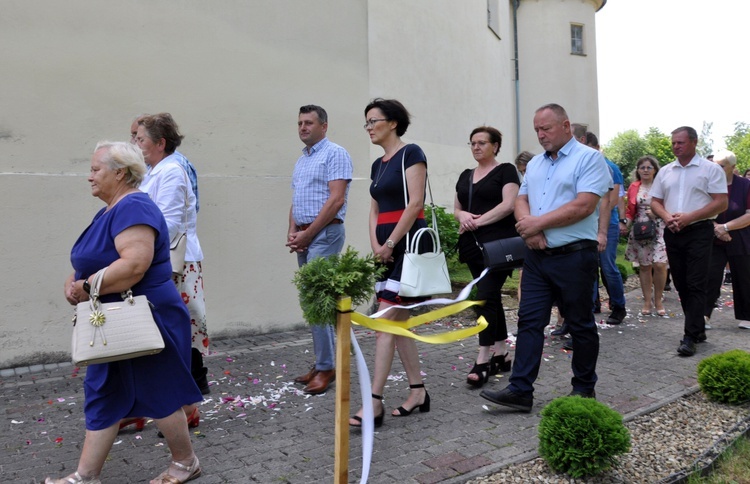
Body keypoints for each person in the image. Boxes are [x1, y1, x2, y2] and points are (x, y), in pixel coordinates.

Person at [47, 142, 203, 484]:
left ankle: (185, 463)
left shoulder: (133, 207)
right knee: (103, 390)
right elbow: (97, 258)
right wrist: (75, 279)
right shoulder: (109, 210)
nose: (89, 176)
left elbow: (134, 264)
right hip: (114, 315)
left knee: (157, 389)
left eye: (95, 169)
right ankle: (85, 476)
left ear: (120, 172)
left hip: (144, 314)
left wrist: (87, 287)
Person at [480, 104, 610, 412]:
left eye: (546, 129)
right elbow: (521, 199)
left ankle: (583, 388)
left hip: (575, 257)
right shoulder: (536, 164)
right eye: (537, 129)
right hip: (537, 257)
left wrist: (539, 224)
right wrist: (529, 231)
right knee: (529, 321)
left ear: (566, 126)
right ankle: (520, 390)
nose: (540, 135)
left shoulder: (589, 159)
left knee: (579, 324)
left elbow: (584, 206)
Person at [349, 98, 431, 428]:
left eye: (373, 120)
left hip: (407, 245)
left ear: (393, 122)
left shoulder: (412, 154)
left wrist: (391, 243)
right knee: (398, 325)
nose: (368, 127)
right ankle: (418, 392)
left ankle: (373, 402)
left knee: (385, 322)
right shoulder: (377, 165)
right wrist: (376, 245)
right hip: (385, 248)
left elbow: (415, 204)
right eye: (366, 122)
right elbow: (373, 210)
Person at [134, 113, 209, 423]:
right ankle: (144, 405)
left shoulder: (172, 172)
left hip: (175, 264)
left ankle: (187, 407)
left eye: (140, 139)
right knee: (163, 334)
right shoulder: (155, 171)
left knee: (176, 334)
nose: (135, 145)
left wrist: (135, 246)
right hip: (159, 261)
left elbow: (168, 223)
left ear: (160, 143)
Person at [286, 104, 353, 395]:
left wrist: (308, 233)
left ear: (324, 126)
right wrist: (292, 231)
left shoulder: (335, 153)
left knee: (318, 301)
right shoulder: (302, 159)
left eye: (309, 123)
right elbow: (297, 199)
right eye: (300, 122)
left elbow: (336, 200)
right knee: (313, 300)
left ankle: (327, 367)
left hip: (325, 234)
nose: (303, 127)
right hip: (305, 234)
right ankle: (322, 362)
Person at [650, 126, 728, 357]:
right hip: (673, 231)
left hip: (699, 231)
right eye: (674, 142)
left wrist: (689, 217)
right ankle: (697, 327)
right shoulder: (665, 171)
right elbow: (655, 201)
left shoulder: (710, 169)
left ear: (694, 142)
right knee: (681, 283)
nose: (675, 146)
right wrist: (667, 217)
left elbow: (721, 203)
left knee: (695, 282)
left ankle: (690, 335)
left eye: (680, 142)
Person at [454, 126, 520, 387]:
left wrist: (477, 222)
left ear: (495, 146)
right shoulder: (465, 175)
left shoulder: (506, 171)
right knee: (490, 297)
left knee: (484, 297)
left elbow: (508, 205)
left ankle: (483, 358)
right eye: (472, 143)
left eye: (482, 143)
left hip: (498, 246)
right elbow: (458, 208)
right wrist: (463, 217)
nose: (476, 147)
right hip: (472, 246)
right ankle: (502, 353)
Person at [584, 131, 627, 325]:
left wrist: (598, 221)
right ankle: (594, 303)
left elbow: (612, 200)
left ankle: (619, 306)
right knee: (589, 267)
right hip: (588, 225)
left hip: (606, 224)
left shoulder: (610, 167)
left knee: (608, 267)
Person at [704, 150, 750, 330]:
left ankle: (747, 315)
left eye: (721, 165)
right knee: (709, 276)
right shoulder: (707, 184)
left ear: (733, 167)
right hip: (713, 237)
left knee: (744, 276)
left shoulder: (746, 185)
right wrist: (717, 228)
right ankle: (703, 315)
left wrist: (726, 227)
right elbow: (701, 208)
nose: (716, 168)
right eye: (714, 165)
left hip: (740, 237)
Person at [622, 155, 669, 316]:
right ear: (638, 171)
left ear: (655, 169)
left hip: (659, 226)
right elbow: (630, 209)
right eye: (642, 167)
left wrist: (658, 213)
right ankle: (647, 301)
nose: (645, 170)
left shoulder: (662, 185)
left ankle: (658, 300)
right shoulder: (634, 187)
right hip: (641, 228)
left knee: (660, 264)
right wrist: (624, 224)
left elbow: (671, 204)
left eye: (649, 167)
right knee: (644, 265)